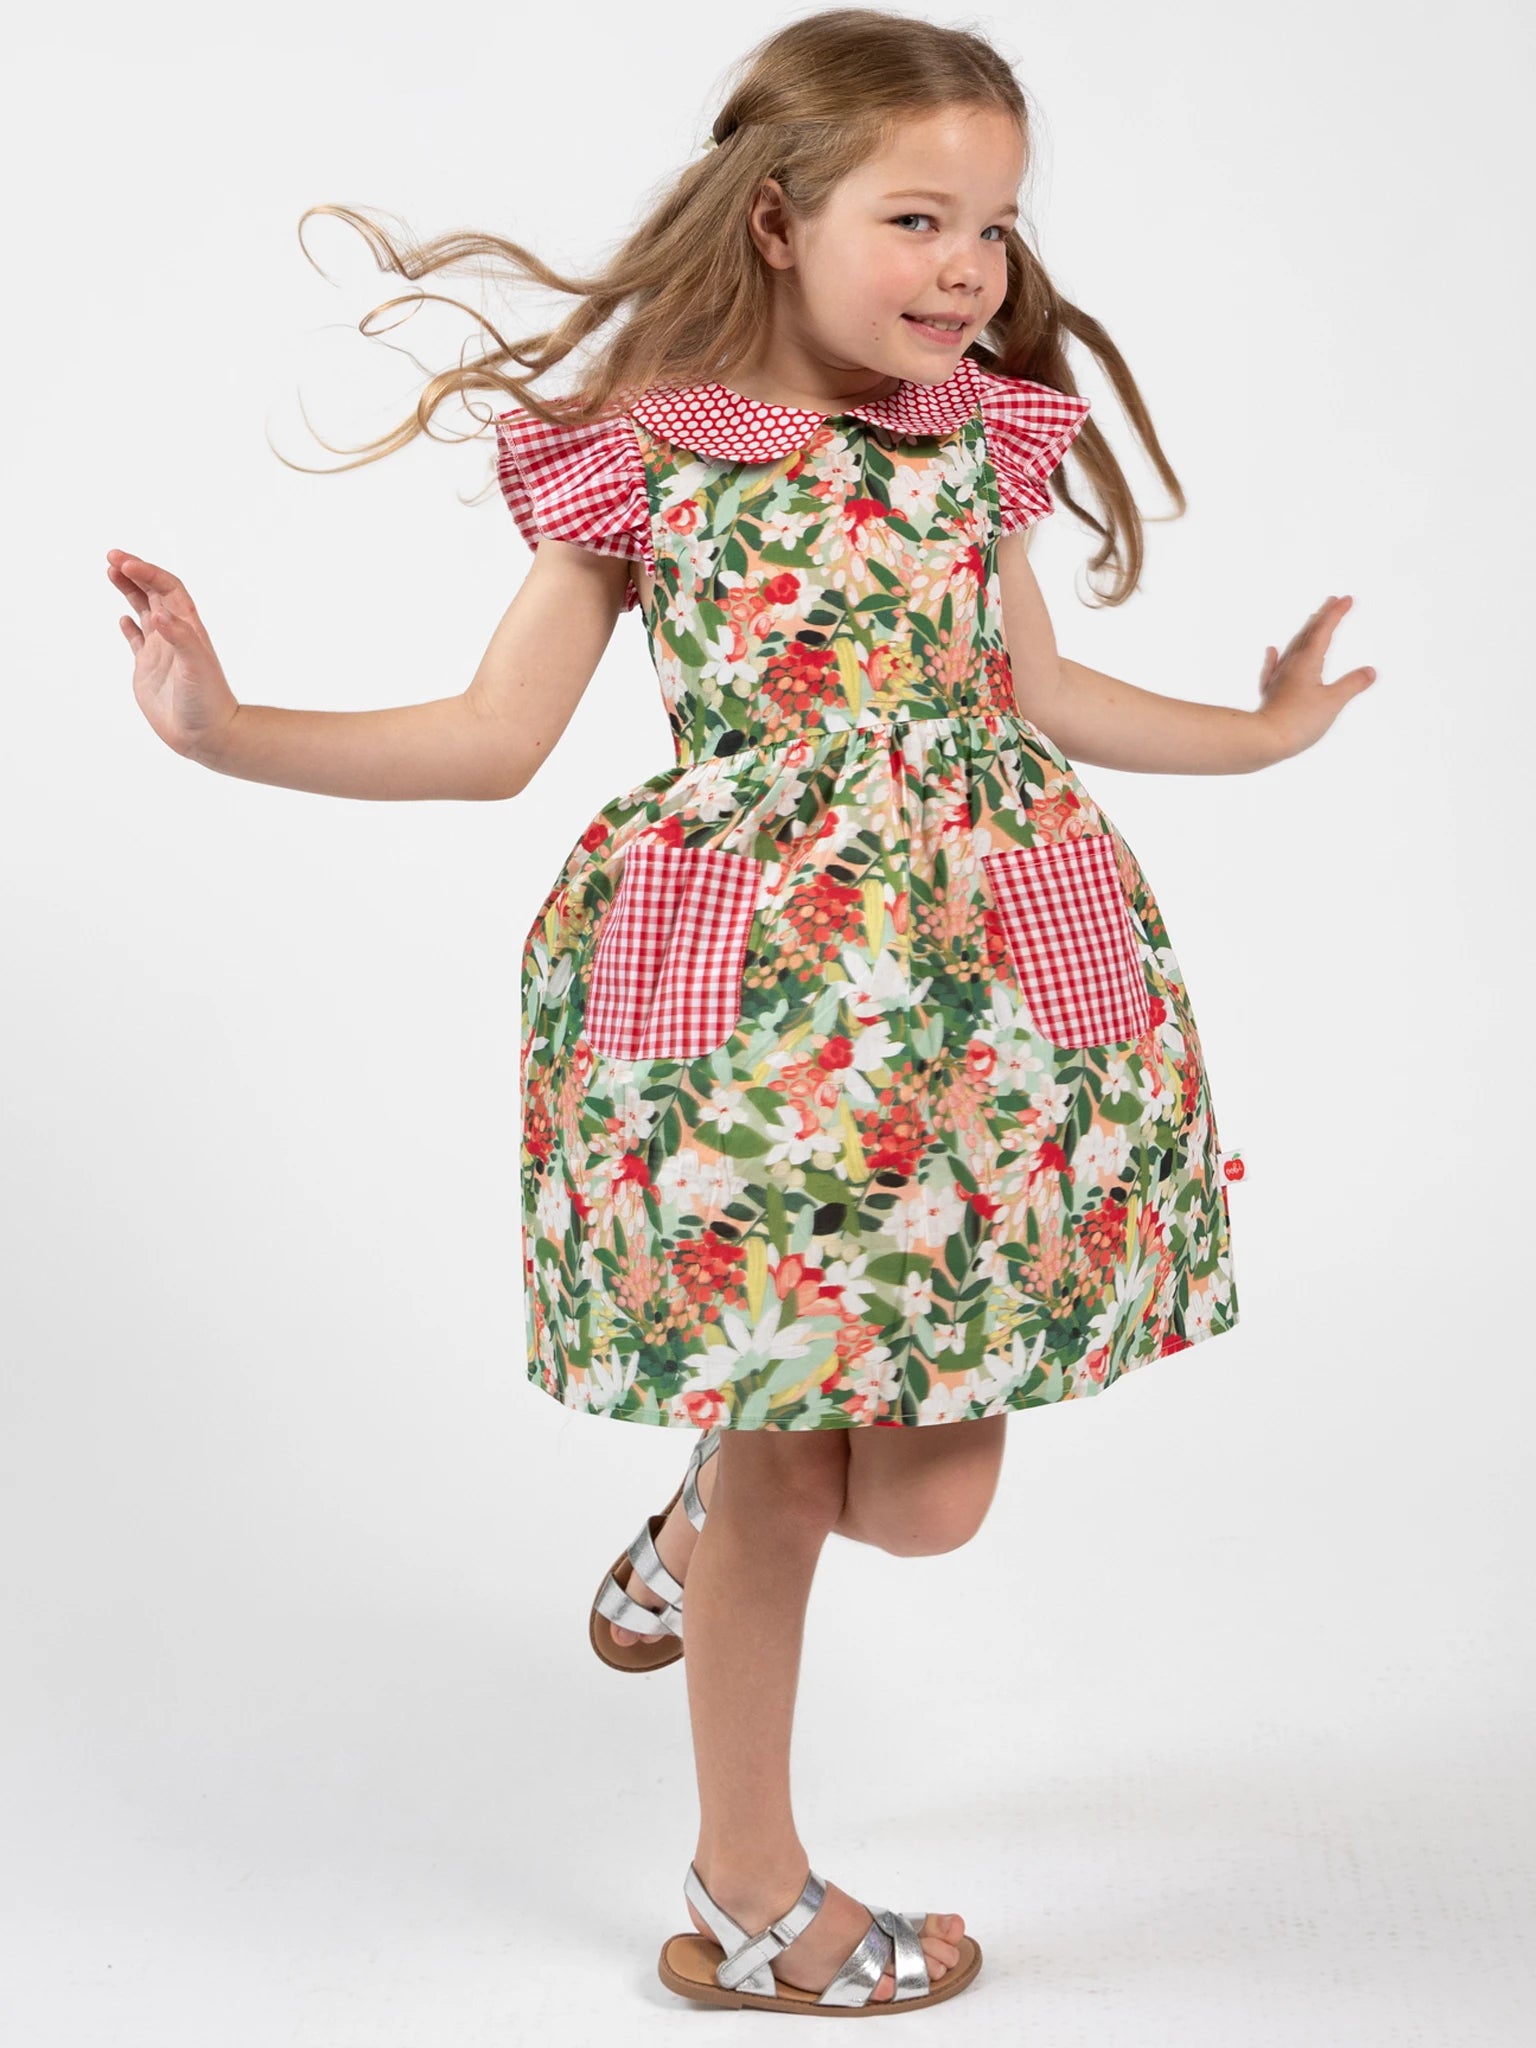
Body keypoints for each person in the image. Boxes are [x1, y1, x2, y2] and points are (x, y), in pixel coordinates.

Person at [104, 7, 1376, 2017]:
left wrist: (1265, 730)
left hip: (980, 1017)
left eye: (998, 225)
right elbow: (490, 734)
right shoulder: (644, 456)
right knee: (799, 1448)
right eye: (922, 217)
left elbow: (1039, 691)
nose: (972, 267)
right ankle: (752, 1881)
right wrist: (224, 727)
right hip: (750, 1029)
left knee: (934, 1494)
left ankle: (702, 1500)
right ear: (778, 221)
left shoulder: (985, 441)